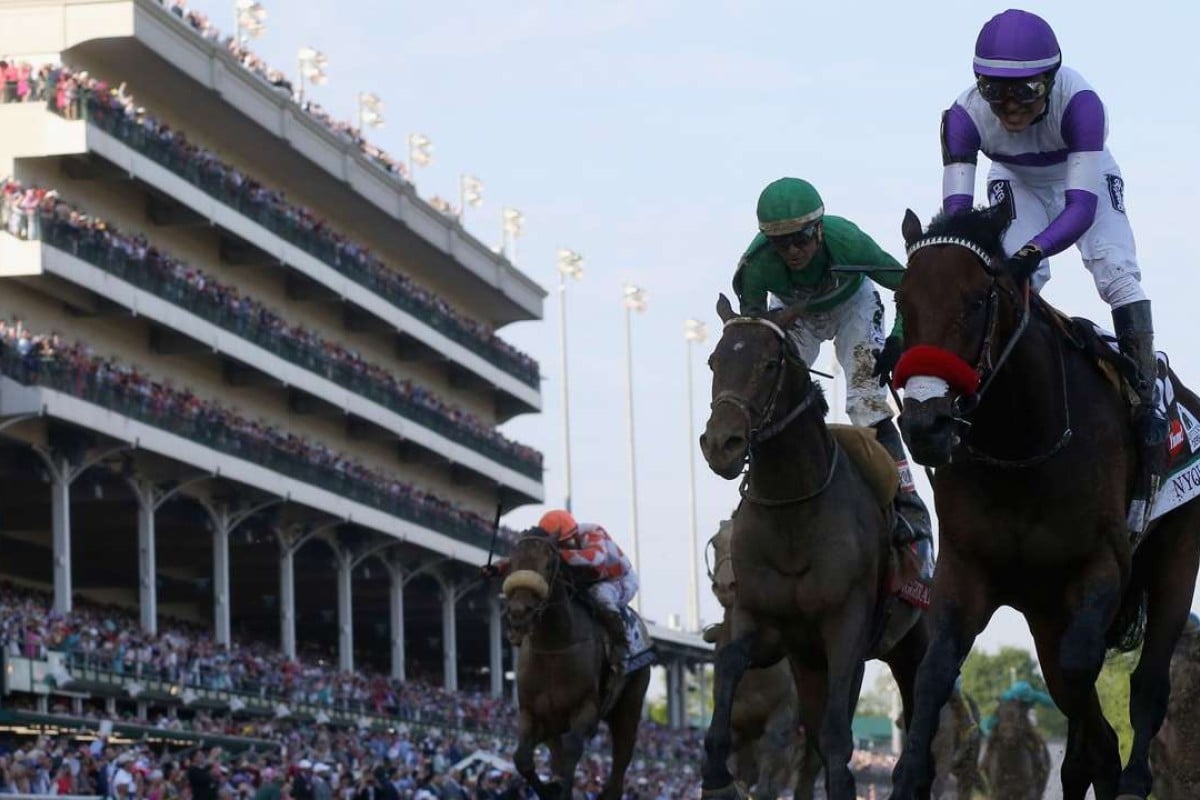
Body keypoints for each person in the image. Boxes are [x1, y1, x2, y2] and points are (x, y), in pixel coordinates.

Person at [940, 9, 1167, 523]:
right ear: (979, 86)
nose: (1009, 107)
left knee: (1115, 271)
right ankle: (1004, 390)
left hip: (1080, 177)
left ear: (1053, 78)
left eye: (1025, 91)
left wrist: (1031, 250)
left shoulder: (1082, 105)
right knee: (1015, 281)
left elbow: (1082, 210)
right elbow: (956, 219)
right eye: (995, 93)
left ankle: (1143, 397)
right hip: (1015, 178)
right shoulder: (960, 117)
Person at [734, 176, 934, 581]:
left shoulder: (849, 242)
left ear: (820, 228)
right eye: (781, 243)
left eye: (802, 238)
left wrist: (897, 339)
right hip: (793, 314)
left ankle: (908, 503)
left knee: (866, 399)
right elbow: (754, 338)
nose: (793, 251)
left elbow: (910, 285)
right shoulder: (755, 268)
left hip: (852, 307)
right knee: (771, 393)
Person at [482, 509, 639, 695]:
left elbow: (595, 559)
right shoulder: (552, 546)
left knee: (600, 595)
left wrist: (556, 553)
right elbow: (527, 561)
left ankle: (621, 644)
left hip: (615, 578)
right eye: (560, 544)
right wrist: (496, 568)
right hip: (586, 579)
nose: (565, 545)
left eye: (566, 541)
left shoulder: (593, 532)